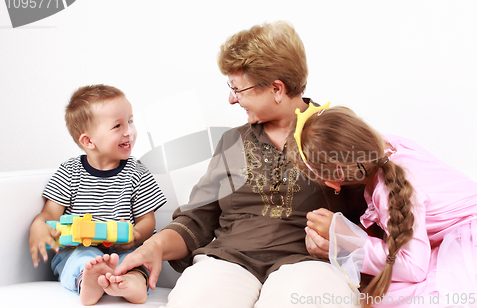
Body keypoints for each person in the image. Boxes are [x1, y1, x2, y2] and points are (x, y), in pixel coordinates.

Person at [113, 21, 366, 308]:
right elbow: (198, 218)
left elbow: (375, 219)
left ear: (277, 89)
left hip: (309, 262)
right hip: (227, 260)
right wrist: (155, 246)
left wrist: (344, 240)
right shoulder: (232, 141)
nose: (232, 99)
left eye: (238, 89)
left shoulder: (339, 135)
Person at [287, 105, 477, 308]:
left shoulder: (388, 190)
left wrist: (348, 240)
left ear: (333, 180)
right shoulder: (392, 147)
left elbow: (414, 268)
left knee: (392, 300)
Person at [29, 84, 166, 305]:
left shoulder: (137, 172)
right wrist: (38, 226)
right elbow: (49, 213)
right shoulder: (69, 172)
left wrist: (135, 236)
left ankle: (134, 283)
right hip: (79, 250)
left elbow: (147, 220)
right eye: (117, 126)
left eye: (130, 121)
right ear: (88, 141)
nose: (129, 131)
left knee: (136, 261)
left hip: (124, 249)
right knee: (80, 260)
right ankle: (88, 282)